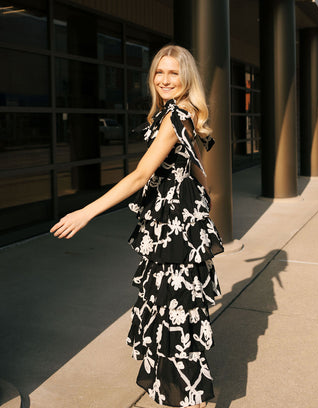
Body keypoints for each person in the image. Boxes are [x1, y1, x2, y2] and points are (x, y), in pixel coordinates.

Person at [50, 45, 224, 408]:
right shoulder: (187, 113)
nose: (164, 79)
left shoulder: (176, 116)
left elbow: (141, 174)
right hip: (178, 226)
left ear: (187, 77)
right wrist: (201, 208)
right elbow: (196, 171)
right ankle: (186, 395)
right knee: (176, 312)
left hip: (174, 231)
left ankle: (190, 399)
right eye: (159, 72)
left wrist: (86, 212)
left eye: (173, 73)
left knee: (172, 314)